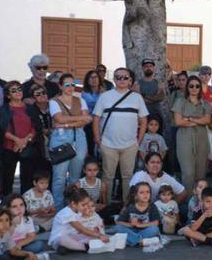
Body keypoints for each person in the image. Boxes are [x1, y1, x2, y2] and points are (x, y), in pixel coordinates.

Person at [92, 67, 148, 206]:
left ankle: (127, 207)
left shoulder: (137, 98)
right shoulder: (105, 96)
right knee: (107, 177)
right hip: (108, 144)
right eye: (118, 77)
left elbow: (143, 120)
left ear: (130, 80)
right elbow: (96, 118)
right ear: (114, 79)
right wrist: (98, 138)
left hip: (130, 145)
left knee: (128, 177)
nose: (122, 80)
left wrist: (138, 141)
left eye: (125, 77)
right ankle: (106, 206)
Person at [0, 81, 46, 194]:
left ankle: (26, 205)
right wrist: (17, 140)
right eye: (13, 90)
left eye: (19, 89)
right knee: (7, 179)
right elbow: (2, 129)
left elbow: (35, 127)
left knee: (27, 179)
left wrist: (25, 140)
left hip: (27, 147)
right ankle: (7, 205)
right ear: (8, 95)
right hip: (9, 148)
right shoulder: (3, 109)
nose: (18, 92)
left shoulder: (30, 108)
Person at [49, 73, 91, 207]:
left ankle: (73, 206)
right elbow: (59, 118)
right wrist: (78, 119)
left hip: (78, 137)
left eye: (73, 84)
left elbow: (85, 120)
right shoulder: (54, 101)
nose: (70, 87)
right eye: (67, 84)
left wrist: (66, 124)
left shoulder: (80, 100)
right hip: (61, 138)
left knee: (75, 176)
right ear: (60, 86)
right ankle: (58, 206)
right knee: (59, 177)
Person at [172, 74, 212, 186]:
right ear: (187, 87)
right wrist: (199, 120)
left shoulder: (205, 103)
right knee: (188, 172)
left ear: (200, 88)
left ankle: (200, 201)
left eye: (197, 86)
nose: (194, 88)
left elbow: (207, 120)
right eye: (191, 86)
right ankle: (189, 200)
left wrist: (189, 118)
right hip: (184, 138)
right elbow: (178, 122)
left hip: (202, 139)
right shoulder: (180, 101)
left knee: (201, 172)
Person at [51, 186, 109, 253]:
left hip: (74, 237)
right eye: (83, 205)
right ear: (73, 204)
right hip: (59, 240)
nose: (86, 207)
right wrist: (99, 235)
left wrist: (97, 232)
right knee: (62, 239)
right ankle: (85, 247)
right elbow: (82, 229)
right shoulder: (67, 213)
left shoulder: (77, 210)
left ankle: (70, 248)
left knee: (93, 236)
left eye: (87, 204)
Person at [137, 58, 167, 128]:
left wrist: (144, 96)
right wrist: (154, 98)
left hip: (156, 117)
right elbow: (138, 100)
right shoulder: (137, 84)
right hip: (142, 116)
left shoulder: (159, 83)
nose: (148, 68)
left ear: (153, 68)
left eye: (150, 66)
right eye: (146, 66)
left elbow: (161, 97)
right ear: (142, 68)